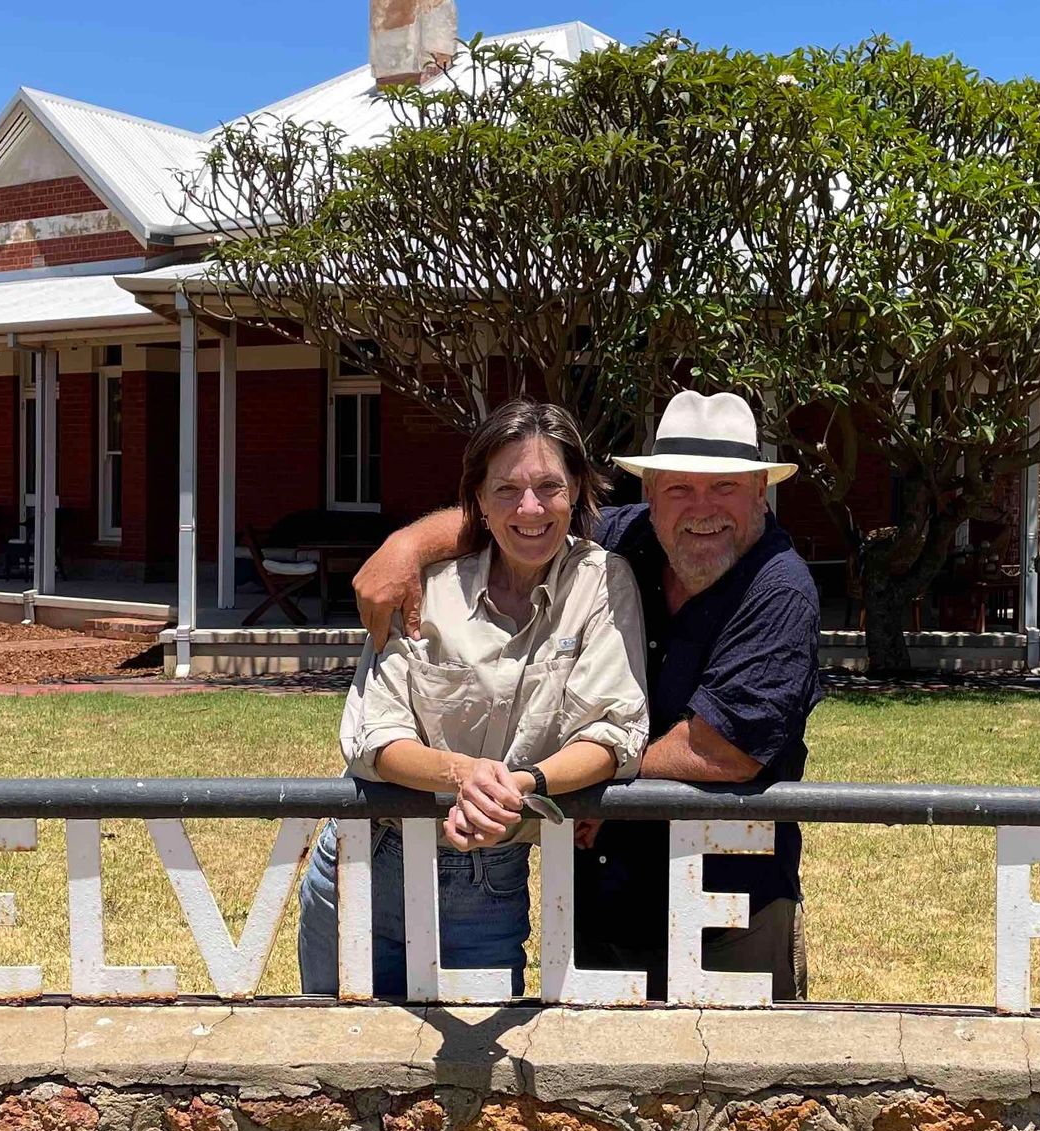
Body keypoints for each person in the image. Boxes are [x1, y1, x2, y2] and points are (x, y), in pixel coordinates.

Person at [355, 390, 822, 999]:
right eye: (680, 488)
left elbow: (721, 752)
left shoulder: (780, 590)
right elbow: (520, 520)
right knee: (596, 1070)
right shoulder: (632, 538)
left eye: (724, 488)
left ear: (761, 490)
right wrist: (406, 547)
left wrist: (586, 775)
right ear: (649, 493)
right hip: (601, 885)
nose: (701, 509)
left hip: (730, 897)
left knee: (735, 1077)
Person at [295, 399, 648, 998]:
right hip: (362, 863)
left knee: (471, 1087)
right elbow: (372, 738)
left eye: (548, 486)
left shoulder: (603, 582)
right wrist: (464, 775)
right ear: (478, 501)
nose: (529, 508)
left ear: (578, 491)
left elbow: (615, 734)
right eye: (506, 489)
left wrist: (522, 785)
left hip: (487, 882)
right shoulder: (425, 586)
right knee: (335, 1068)